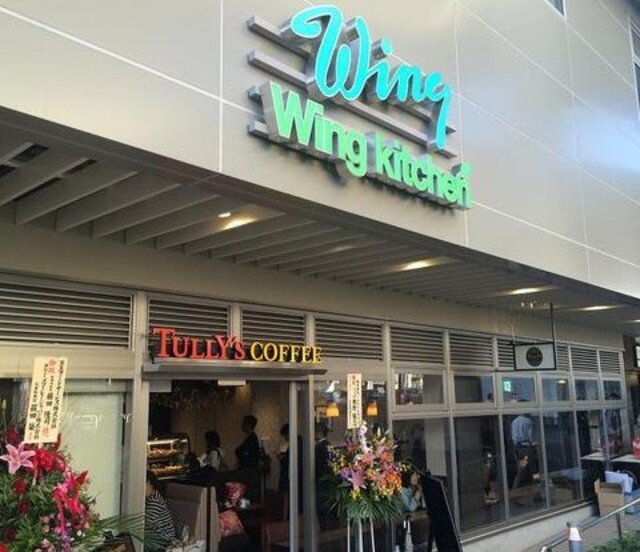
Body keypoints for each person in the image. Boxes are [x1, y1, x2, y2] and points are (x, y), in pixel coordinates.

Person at [145, 471, 178, 550]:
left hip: (164, 539)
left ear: (151, 485)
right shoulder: (153, 496)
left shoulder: (155, 502)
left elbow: (143, 524)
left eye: (144, 483)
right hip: (159, 536)